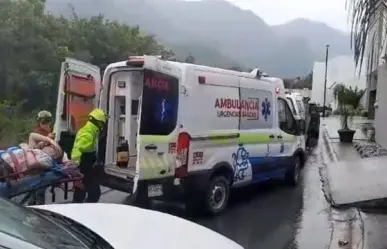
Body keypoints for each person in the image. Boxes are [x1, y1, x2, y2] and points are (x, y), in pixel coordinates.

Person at [71, 108, 106, 203]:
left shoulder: (90, 131)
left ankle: (75, 212)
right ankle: (86, 212)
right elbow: (77, 151)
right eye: (102, 124)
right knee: (94, 193)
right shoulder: (88, 134)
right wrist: (76, 171)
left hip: (86, 167)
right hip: (84, 168)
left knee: (80, 193)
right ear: (99, 123)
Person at [28, 110, 55, 205]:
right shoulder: (36, 133)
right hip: (36, 166)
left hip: (42, 166)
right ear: (40, 122)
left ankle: (32, 210)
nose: (46, 124)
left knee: (36, 192)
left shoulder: (48, 132)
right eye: (44, 122)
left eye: (47, 121)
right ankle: (38, 213)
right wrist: (47, 139)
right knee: (38, 192)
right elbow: (34, 148)